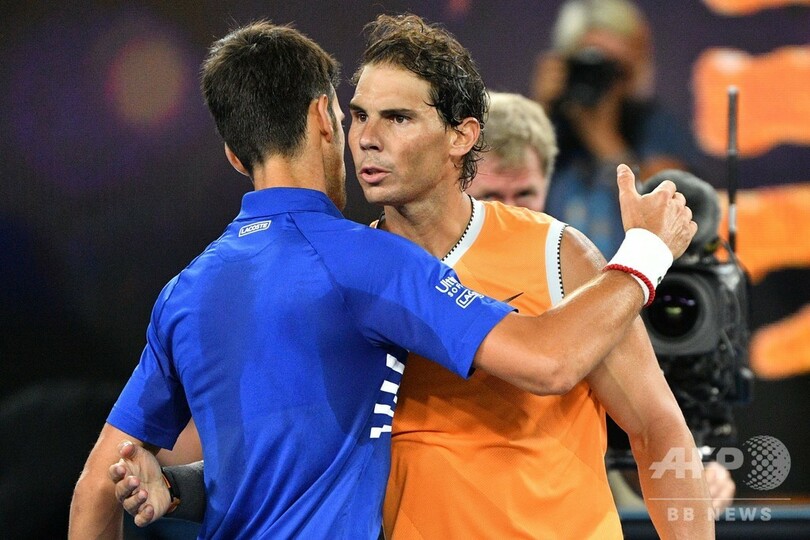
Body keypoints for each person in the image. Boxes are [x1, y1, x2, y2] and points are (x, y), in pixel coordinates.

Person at [102, 16, 709, 539]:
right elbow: (281, 468)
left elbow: (657, 429)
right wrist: (177, 486)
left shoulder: (556, 253)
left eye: (397, 118)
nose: (367, 139)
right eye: (359, 115)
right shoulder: (338, 276)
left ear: (462, 135)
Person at [467, 91, 736, 517]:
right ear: (459, 188)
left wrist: (696, 471)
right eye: (493, 198)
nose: (512, 213)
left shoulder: (590, 280)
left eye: (525, 194)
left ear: (548, 187)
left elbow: (647, 421)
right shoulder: (426, 278)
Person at [532, 0, 701, 257]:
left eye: (611, 69)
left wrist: (603, 138)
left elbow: (675, 208)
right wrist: (539, 111)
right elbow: (500, 197)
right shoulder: (548, 128)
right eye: (587, 66)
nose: (598, 80)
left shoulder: (653, 125)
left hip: (637, 275)